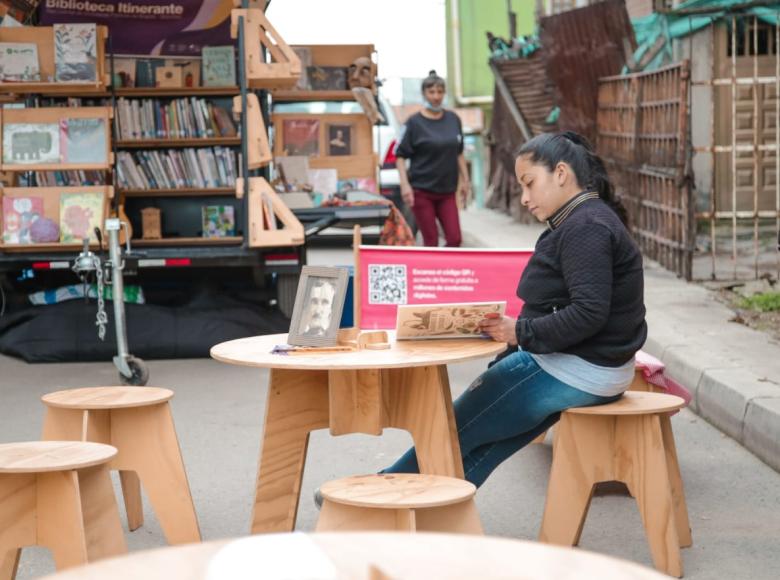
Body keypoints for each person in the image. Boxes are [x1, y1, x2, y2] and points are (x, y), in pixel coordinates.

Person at [382, 131, 648, 487]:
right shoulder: (580, 220)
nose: (524, 198)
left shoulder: (587, 227)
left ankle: (381, 491)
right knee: (486, 443)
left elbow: (589, 313)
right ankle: (431, 513)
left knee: (451, 429)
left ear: (561, 174)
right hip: (589, 366)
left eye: (529, 183)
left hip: (582, 369)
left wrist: (518, 332)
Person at [395, 70, 470, 247]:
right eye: (431, 92)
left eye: (440, 92)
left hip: (447, 191)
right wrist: (405, 186)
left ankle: (445, 271)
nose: (436, 97)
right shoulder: (413, 123)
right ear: (424, 94)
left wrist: (465, 181)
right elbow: (400, 155)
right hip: (422, 191)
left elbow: (458, 152)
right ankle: (431, 273)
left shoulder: (453, 119)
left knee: (454, 238)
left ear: (444, 93)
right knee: (431, 240)